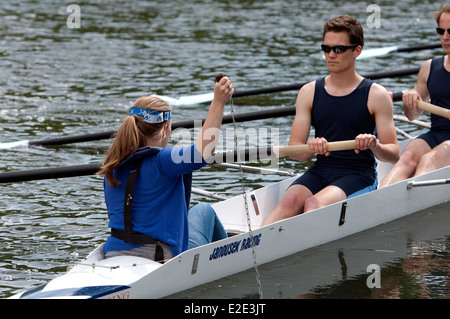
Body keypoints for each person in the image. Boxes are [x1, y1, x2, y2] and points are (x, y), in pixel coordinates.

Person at [261, 15, 399, 226]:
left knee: (314, 204)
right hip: (321, 169)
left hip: (358, 174)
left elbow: (393, 153)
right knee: (289, 201)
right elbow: (296, 152)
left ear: (357, 51)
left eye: (339, 49)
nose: (331, 55)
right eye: (326, 48)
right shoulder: (308, 92)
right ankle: (256, 251)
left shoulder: (376, 95)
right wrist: (310, 148)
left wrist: (374, 145)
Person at [97, 76, 234, 261]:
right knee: (203, 210)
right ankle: (234, 261)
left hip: (112, 252)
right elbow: (203, 152)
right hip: (160, 257)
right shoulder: (162, 161)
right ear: (164, 130)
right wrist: (218, 101)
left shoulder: (111, 166)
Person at [380, 5, 450, 187]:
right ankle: (379, 200)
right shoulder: (429, 67)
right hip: (436, 133)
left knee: (428, 160)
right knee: (407, 157)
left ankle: (405, 206)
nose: (445, 37)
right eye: (440, 31)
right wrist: (411, 101)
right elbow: (412, 116)